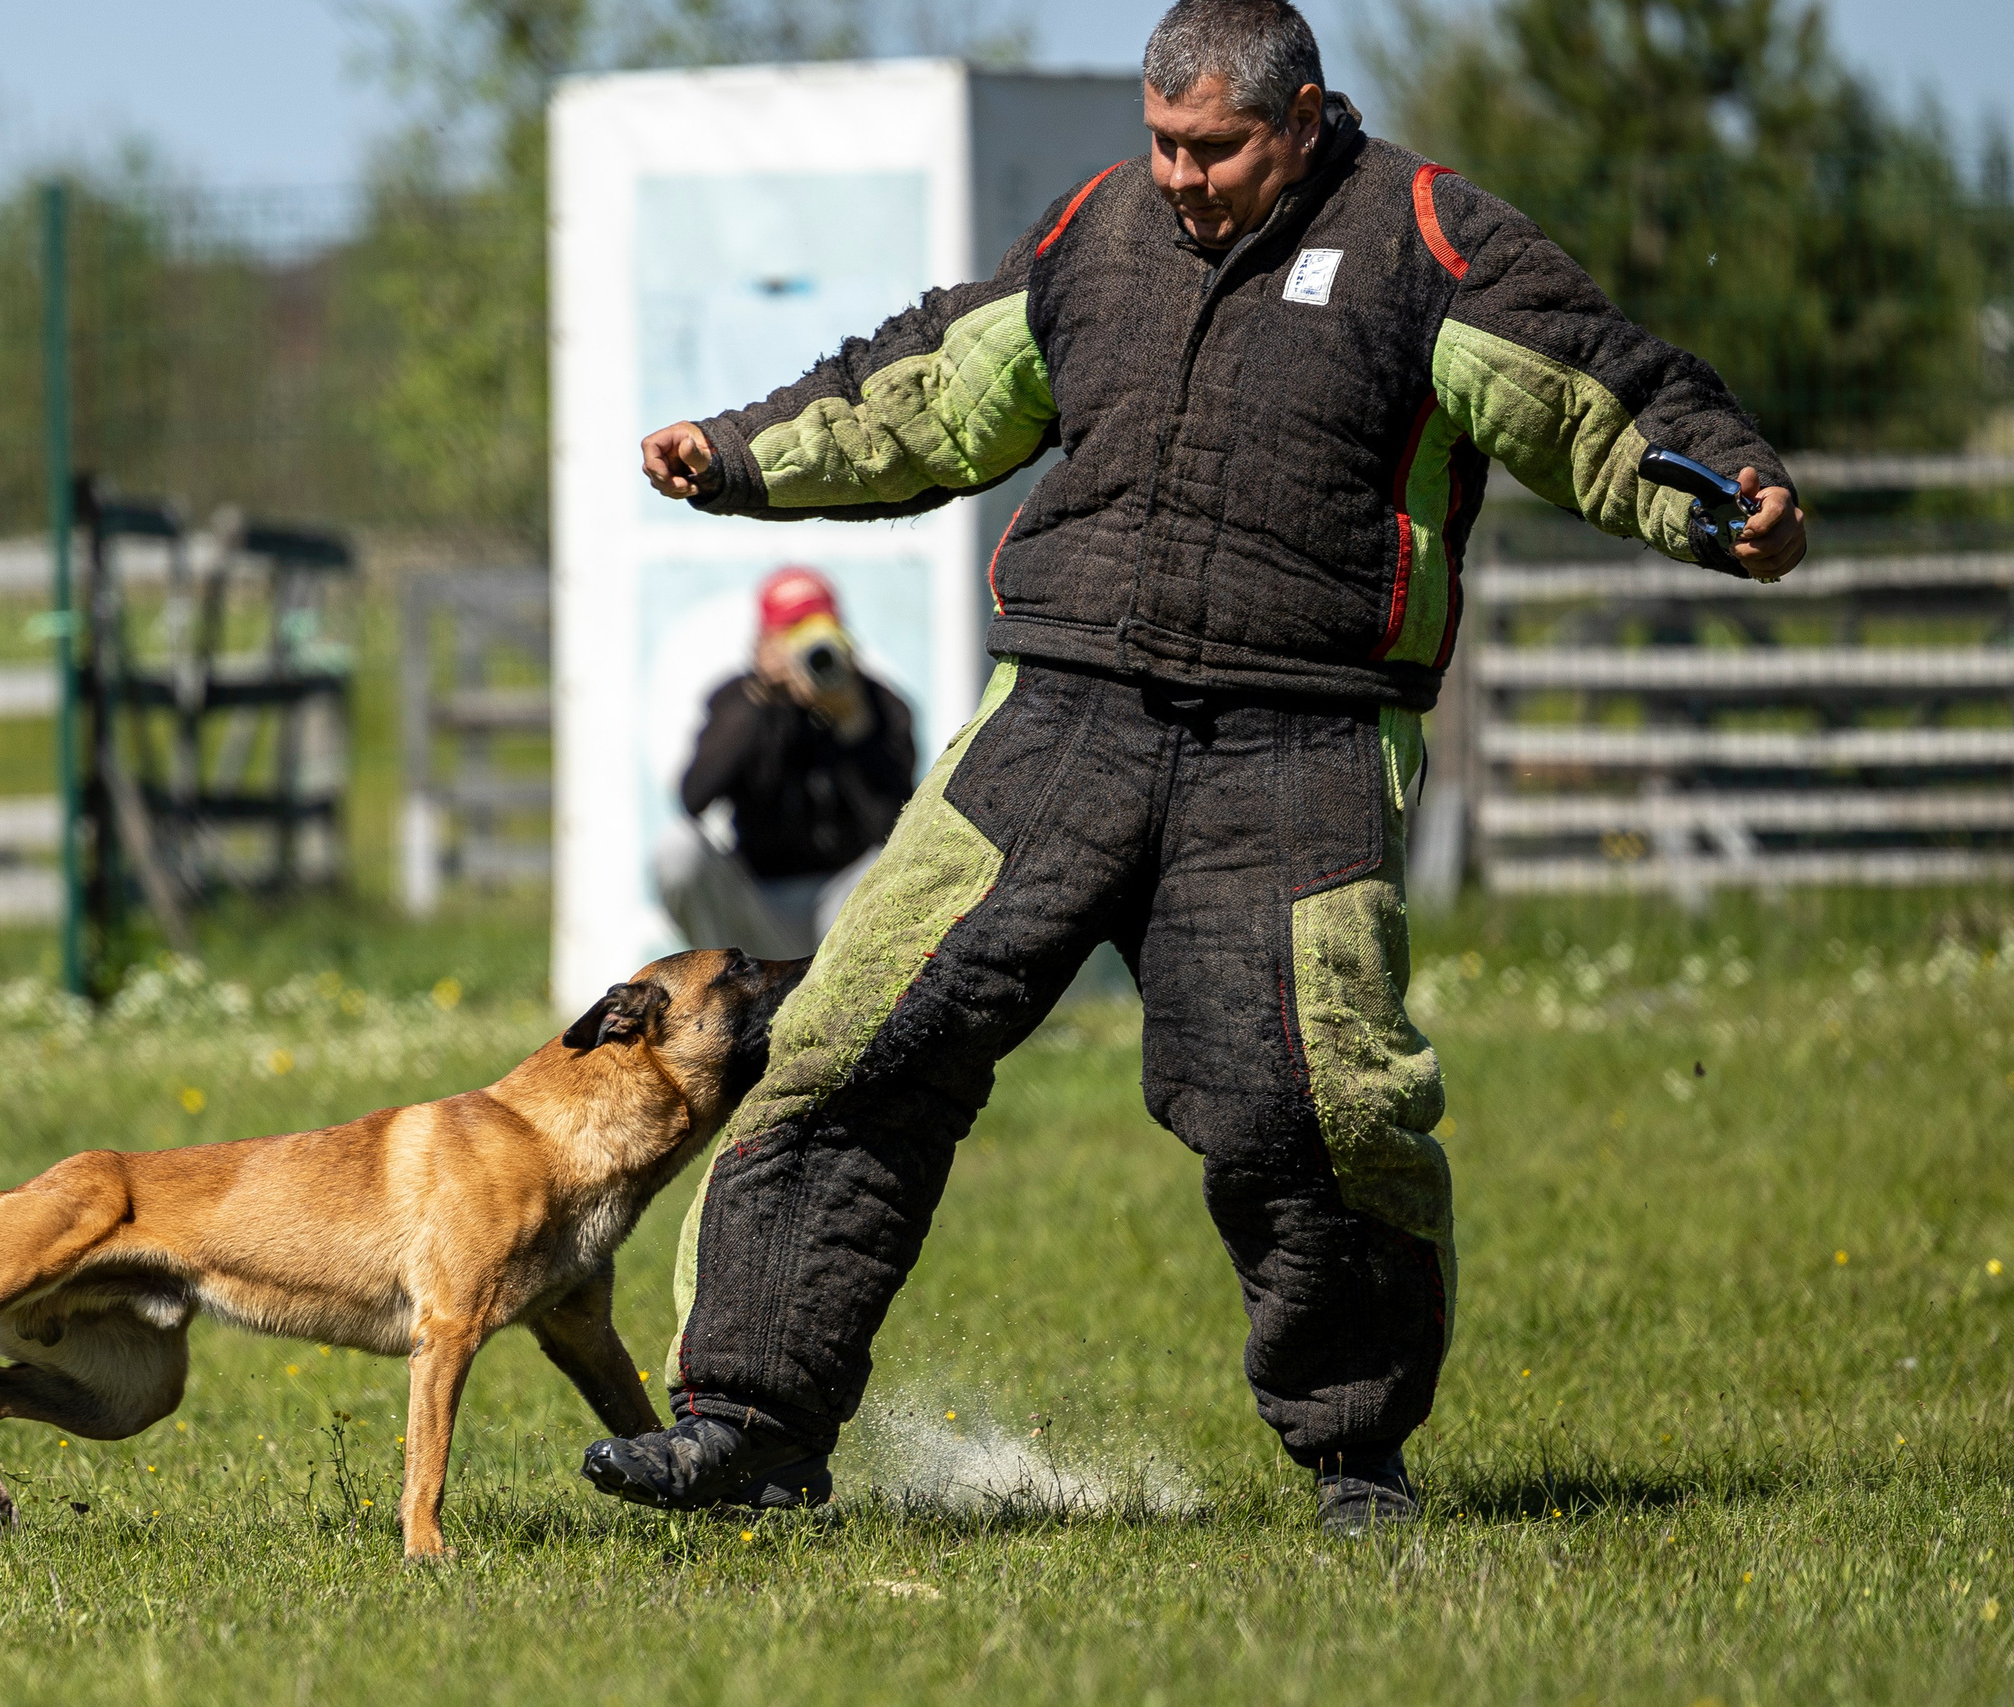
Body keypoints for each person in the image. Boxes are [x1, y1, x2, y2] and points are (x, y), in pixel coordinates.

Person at [582, 0, 1808, 1533]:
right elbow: (933, 383)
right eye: (1161, 143)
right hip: (1059, 716)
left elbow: (1592, 385)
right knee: (849, 1039)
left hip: (1300, 740)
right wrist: (744, 449)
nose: (1178, 177)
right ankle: (748, 1423)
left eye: (1213, 148)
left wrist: (1725, 494)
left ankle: (1358, 1453)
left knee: (1316, 1105)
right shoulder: (1098, 231)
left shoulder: (1425, 236)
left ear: (1303, 117)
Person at [654, 567, 918, 960]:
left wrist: (853, 725)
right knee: (678, 850)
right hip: (759, 907)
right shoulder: (738, 700)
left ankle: (854, 1001)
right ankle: (725, 990)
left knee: (888, 864)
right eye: (791, 631)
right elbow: (693, 797)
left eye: (816, 629)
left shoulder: (880, 705)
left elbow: (896, 831)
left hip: (844, 908)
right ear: (763, 640)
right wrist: (761, 699)